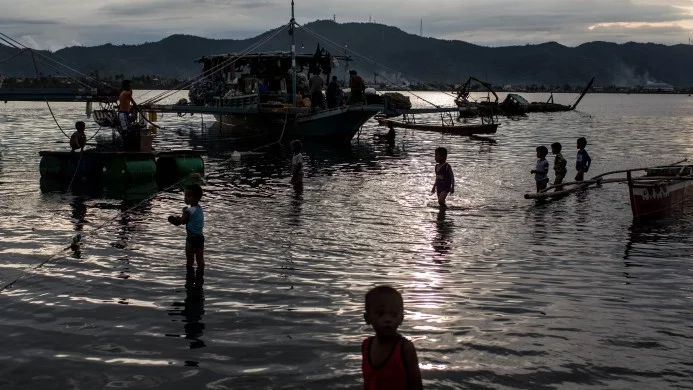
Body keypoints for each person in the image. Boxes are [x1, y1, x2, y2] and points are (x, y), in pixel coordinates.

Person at [362, 286, 423, 390]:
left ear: (401, 319)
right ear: (367, 318)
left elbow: (417, 385)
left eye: (394, 314)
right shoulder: (366, 345)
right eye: (380, 314)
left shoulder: (405, 348)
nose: (388, 319)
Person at [168, 184, 205, 270]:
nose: (185, 198)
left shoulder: (189, 211)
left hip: (191, 238)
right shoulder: (199, 209)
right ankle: (200, 275)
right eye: (185, 195)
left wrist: (176, 219)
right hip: (200, 237)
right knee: (200, 258)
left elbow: (182, 221)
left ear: (196, 198)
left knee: (189, 259)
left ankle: (189, 274)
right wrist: (184, 212)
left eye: (188, 196)